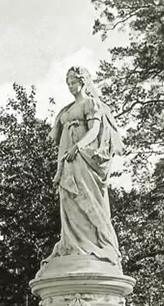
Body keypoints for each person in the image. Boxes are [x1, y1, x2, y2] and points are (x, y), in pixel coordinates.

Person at [47, 66, 125, 268]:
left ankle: (94, 243)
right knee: (68, 198)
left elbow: (94, 131)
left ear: (83, 82)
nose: (70, 86)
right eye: (68, 83)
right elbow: (62, 142)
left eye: (73, 82)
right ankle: (73, 244)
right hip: (68, 159)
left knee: (86, 196)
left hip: (83, 157)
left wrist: (77, 147)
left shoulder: (90, 103)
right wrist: (60, 166)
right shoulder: (66, 110)